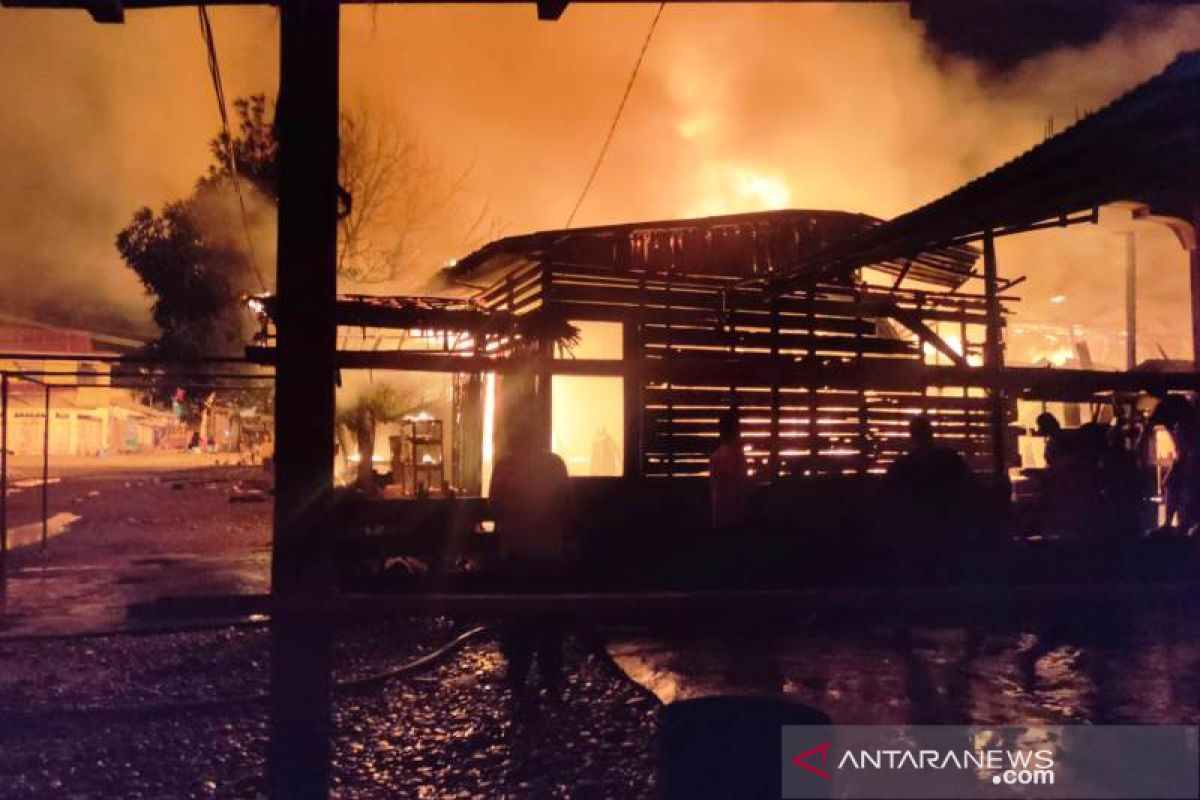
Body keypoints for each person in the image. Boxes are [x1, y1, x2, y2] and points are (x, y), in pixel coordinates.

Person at [488, 412, 573, 703]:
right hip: (549, 552)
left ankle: (519, 675)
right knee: (550, 617)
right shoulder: (554, 464)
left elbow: (494, 505)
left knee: (518, 617)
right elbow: (566, 503)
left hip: (516, 552)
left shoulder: (505, 466)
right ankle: (551, 679)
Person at [884, 415, 974, 545]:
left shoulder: (904, 465)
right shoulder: (950, 460)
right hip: (946, 529)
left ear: (912, 436)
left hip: (923, 531)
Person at [708, 410, 749, 532]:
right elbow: (741, 482)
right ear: (734, 432)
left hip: (719, 517)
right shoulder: (736, 455)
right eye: (738, 430)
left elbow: (713, 485)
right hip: (734, 518)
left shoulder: (716, 456)